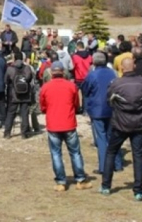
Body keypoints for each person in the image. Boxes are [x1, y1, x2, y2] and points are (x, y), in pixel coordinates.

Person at [101, 58, 142, 201]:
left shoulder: (116, 84)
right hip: (138, 123)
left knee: (111, 152)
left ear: (122, 68)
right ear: (133, 66)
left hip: (121, 123)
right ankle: (138, 190)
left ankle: (106, 186)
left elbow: (109, 101)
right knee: (138, 156)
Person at [40, 61, 92, 192]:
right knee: (75, 152)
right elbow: (76, 105)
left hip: (53, 124)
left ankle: (61, 182)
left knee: (56, 154)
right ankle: (80, 179)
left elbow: (43, 106)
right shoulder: (71, 86)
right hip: (68, 123)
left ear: (51, 73)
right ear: (63, 72)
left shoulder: (45, 87)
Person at [81, 52, 122, 175]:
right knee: (112, 136)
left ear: (94, 62)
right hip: (112, 108)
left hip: (98, 110)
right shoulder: (113, 73)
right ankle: (117, 163)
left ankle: (104, 166)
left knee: (101, 138)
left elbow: (85, 90)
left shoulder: (92, 75)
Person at [3, 52, 33, 139]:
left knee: (10, 113)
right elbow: (30, 79)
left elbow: (6, 81)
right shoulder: (27, 68)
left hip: (13, 94)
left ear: (14, 58)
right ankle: (24, 133)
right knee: (24, 114)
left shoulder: (10, 69)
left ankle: (7, 133)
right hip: (25, 94)